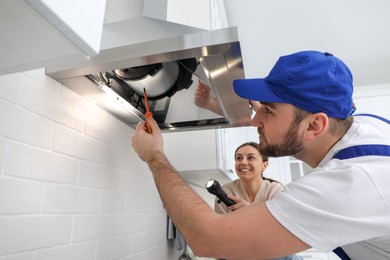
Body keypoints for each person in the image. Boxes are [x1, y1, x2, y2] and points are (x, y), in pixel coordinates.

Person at [131, 50, 390, 259]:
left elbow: (208, 239)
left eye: (268, 110)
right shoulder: (357, 125)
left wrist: (154, 155)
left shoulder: (352, 183)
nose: (255, 121)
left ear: (314, 126)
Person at [214, 142, 302, 260]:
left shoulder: (274, 190)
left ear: (264, 165)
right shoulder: (225, 192)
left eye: (250, 157)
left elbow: (280, 232)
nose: (243, 162)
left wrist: (251, 212)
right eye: (238, 158)